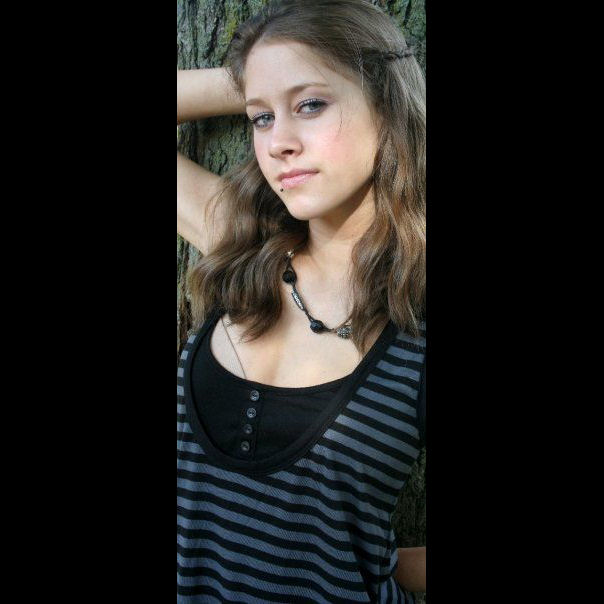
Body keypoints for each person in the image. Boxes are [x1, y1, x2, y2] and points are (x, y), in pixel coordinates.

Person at [177, 0, 425, 601]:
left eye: (311, 105)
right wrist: (259, 75)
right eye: (261, 117)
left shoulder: (416, 316)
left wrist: (369, 566)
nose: (278, 143)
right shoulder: (240, 248)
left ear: (387, 107)